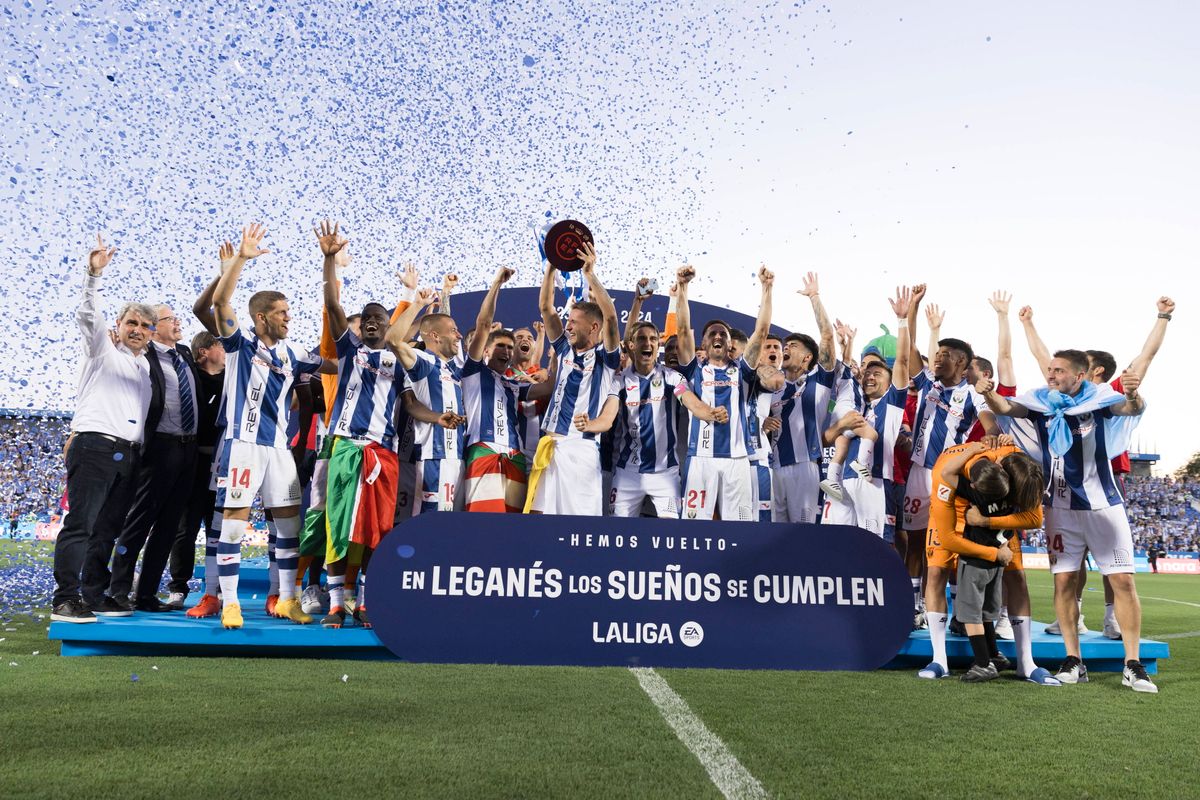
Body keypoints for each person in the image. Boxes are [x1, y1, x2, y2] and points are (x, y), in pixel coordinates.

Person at [979, 349, 1158, 693]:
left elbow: (1129, 408)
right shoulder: (1042, 403)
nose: (1051, 375)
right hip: (1059, 509)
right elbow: (1004, 407)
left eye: (1058, 370)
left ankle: (1132, 664)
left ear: (1079, 376)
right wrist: (988, 392)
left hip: (1104, 506)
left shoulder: (1099, 401)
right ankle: (1073, 659)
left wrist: (1134, 394)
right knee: (1063, 584)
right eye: (1050, 369)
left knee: (1122, 582)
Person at [1020, 298, 1175, 640]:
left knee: (1110, 561)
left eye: (1080, 366)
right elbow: (1042, 359)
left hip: (1106, 483)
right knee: (1073, 560)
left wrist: (1162, 317)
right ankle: (1071, 617)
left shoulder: (1107, 393)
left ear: (1095, 372)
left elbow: (1144, 359)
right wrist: (1028, 325)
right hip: (1066, 485)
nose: (1060, 372)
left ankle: (1112, 618)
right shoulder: (1061, 397)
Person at [208, 223, 333, 629]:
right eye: (281, 313)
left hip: (279, 448)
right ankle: (230, 602)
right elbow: (221, 303)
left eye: (289, 313)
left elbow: (333, 363)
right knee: (234, 524)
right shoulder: (240, 344)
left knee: (289, 527)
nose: (288, 319)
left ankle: (289, 601)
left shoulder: (294, 352)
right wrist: (241, 259)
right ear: (261, 317)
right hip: (243, 443)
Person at [51, 235, 156, 623]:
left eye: (146, 326)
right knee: (81, 523)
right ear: (118, 324)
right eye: (132, 322)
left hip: (129, 453)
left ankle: (94, 595)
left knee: (107, 530)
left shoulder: (145, 367)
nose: (138, 329)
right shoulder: (102, 349)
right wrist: (93, 275)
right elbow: (87, 316)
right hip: (96, 445)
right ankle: (65, 598)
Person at [310, 221, 404, 628]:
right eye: (365, 317)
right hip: (344, 446)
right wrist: (330, 260)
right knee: (337, 523)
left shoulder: (402, 363)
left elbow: (415, 405)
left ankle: (364, 599)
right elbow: (333, 305)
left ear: (389, 327)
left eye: (378, 318)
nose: (370, 321)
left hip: (383, 452)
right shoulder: (348, 351)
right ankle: (334, 602)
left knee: (376, 530)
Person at [918, 438, 1052, 683]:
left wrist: (987, 522)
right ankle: (939, 659)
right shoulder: (945, 476)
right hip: (953, 511)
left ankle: (1025, 662)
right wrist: (993, 553)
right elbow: (948, 539)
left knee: (1017, 577)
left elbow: (1034, 518)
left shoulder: (1016, 459)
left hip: (988, 519)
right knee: (936, 573)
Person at [575, 316, 724, 518]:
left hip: (665, 474)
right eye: (642, 339)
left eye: (653, 339)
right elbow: (607, 419)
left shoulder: (671, 377)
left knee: (670, 535)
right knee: (618, 534)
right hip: (628, 473)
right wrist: (590, 424)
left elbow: (693, 404)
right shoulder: (620, 380)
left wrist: (711, 413)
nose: (648, 343)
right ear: (631, 345)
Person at [106, 300, 200, 613]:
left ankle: (145, 594)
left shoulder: (185, 353)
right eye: (170, 319)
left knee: (170, 526)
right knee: (139, 522)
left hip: (189, 449)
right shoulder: (142, 355)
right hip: (159, 447)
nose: (177, 323)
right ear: (153, 326)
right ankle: (117, 590)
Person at [674, 264, 784, 520]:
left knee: (740, 527)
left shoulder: (743, 371)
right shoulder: (694, 370)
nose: (718, 336)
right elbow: (681, 330)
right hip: (700, 458)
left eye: (722, 333)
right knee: (694, 527)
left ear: (729, 343)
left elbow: (762, 331)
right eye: (712, 333)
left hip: (738, 460)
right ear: (703, 343)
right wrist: (682, 287)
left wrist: (767, 288)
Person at [525, 244, 622, 515]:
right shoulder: (565, 349)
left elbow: (611, 317)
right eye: (567, 320)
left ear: (593, 327)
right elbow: (545, 307)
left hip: (581, 449)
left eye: (573, 321)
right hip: (549, 446)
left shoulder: (606, 359)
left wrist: (590, 275)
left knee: (577, 527)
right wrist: (551, 265)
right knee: (538, 519)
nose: (567, 325)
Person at [820, 287, 913, 537]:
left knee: (878, 545)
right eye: (868, 372)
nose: (870, 376)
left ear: (891, 379)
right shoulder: (859, 404)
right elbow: (847, 375)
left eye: (878, 373)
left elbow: (903, 361)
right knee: (840, 543)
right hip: (844, 483)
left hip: (876, 482)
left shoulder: (892, 402)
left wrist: (903, 320)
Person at [769, 273, 845, 523]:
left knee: (802, 533)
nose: (786, 348)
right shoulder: (770, 386)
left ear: (807, 358)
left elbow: (826, 337)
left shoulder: (819, 382)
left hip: (805, 466)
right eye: (785, 345)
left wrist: (814, 296)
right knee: (773, 535)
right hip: (774, 466)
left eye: (793, 345)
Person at [462, 266, 537, 513]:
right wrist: (496, 284)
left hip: (515, 456)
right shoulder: (473, 372)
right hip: (484, 450)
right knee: (483, 524)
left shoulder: (513, 384)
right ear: (484, 350)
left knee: (512, 527)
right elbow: (483, 324)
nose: (506, 351)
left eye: (509, 347)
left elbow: (546, 387)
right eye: (500, 346)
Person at [174, 328, 226, 616]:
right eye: (220, 345)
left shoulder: (234, 379)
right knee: (186, 528)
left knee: (218, 529)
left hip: (222, 464)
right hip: (193, 462)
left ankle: (215, 589)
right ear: (204, 352)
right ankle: (178, 587)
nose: (226, 352)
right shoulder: (190, 376)